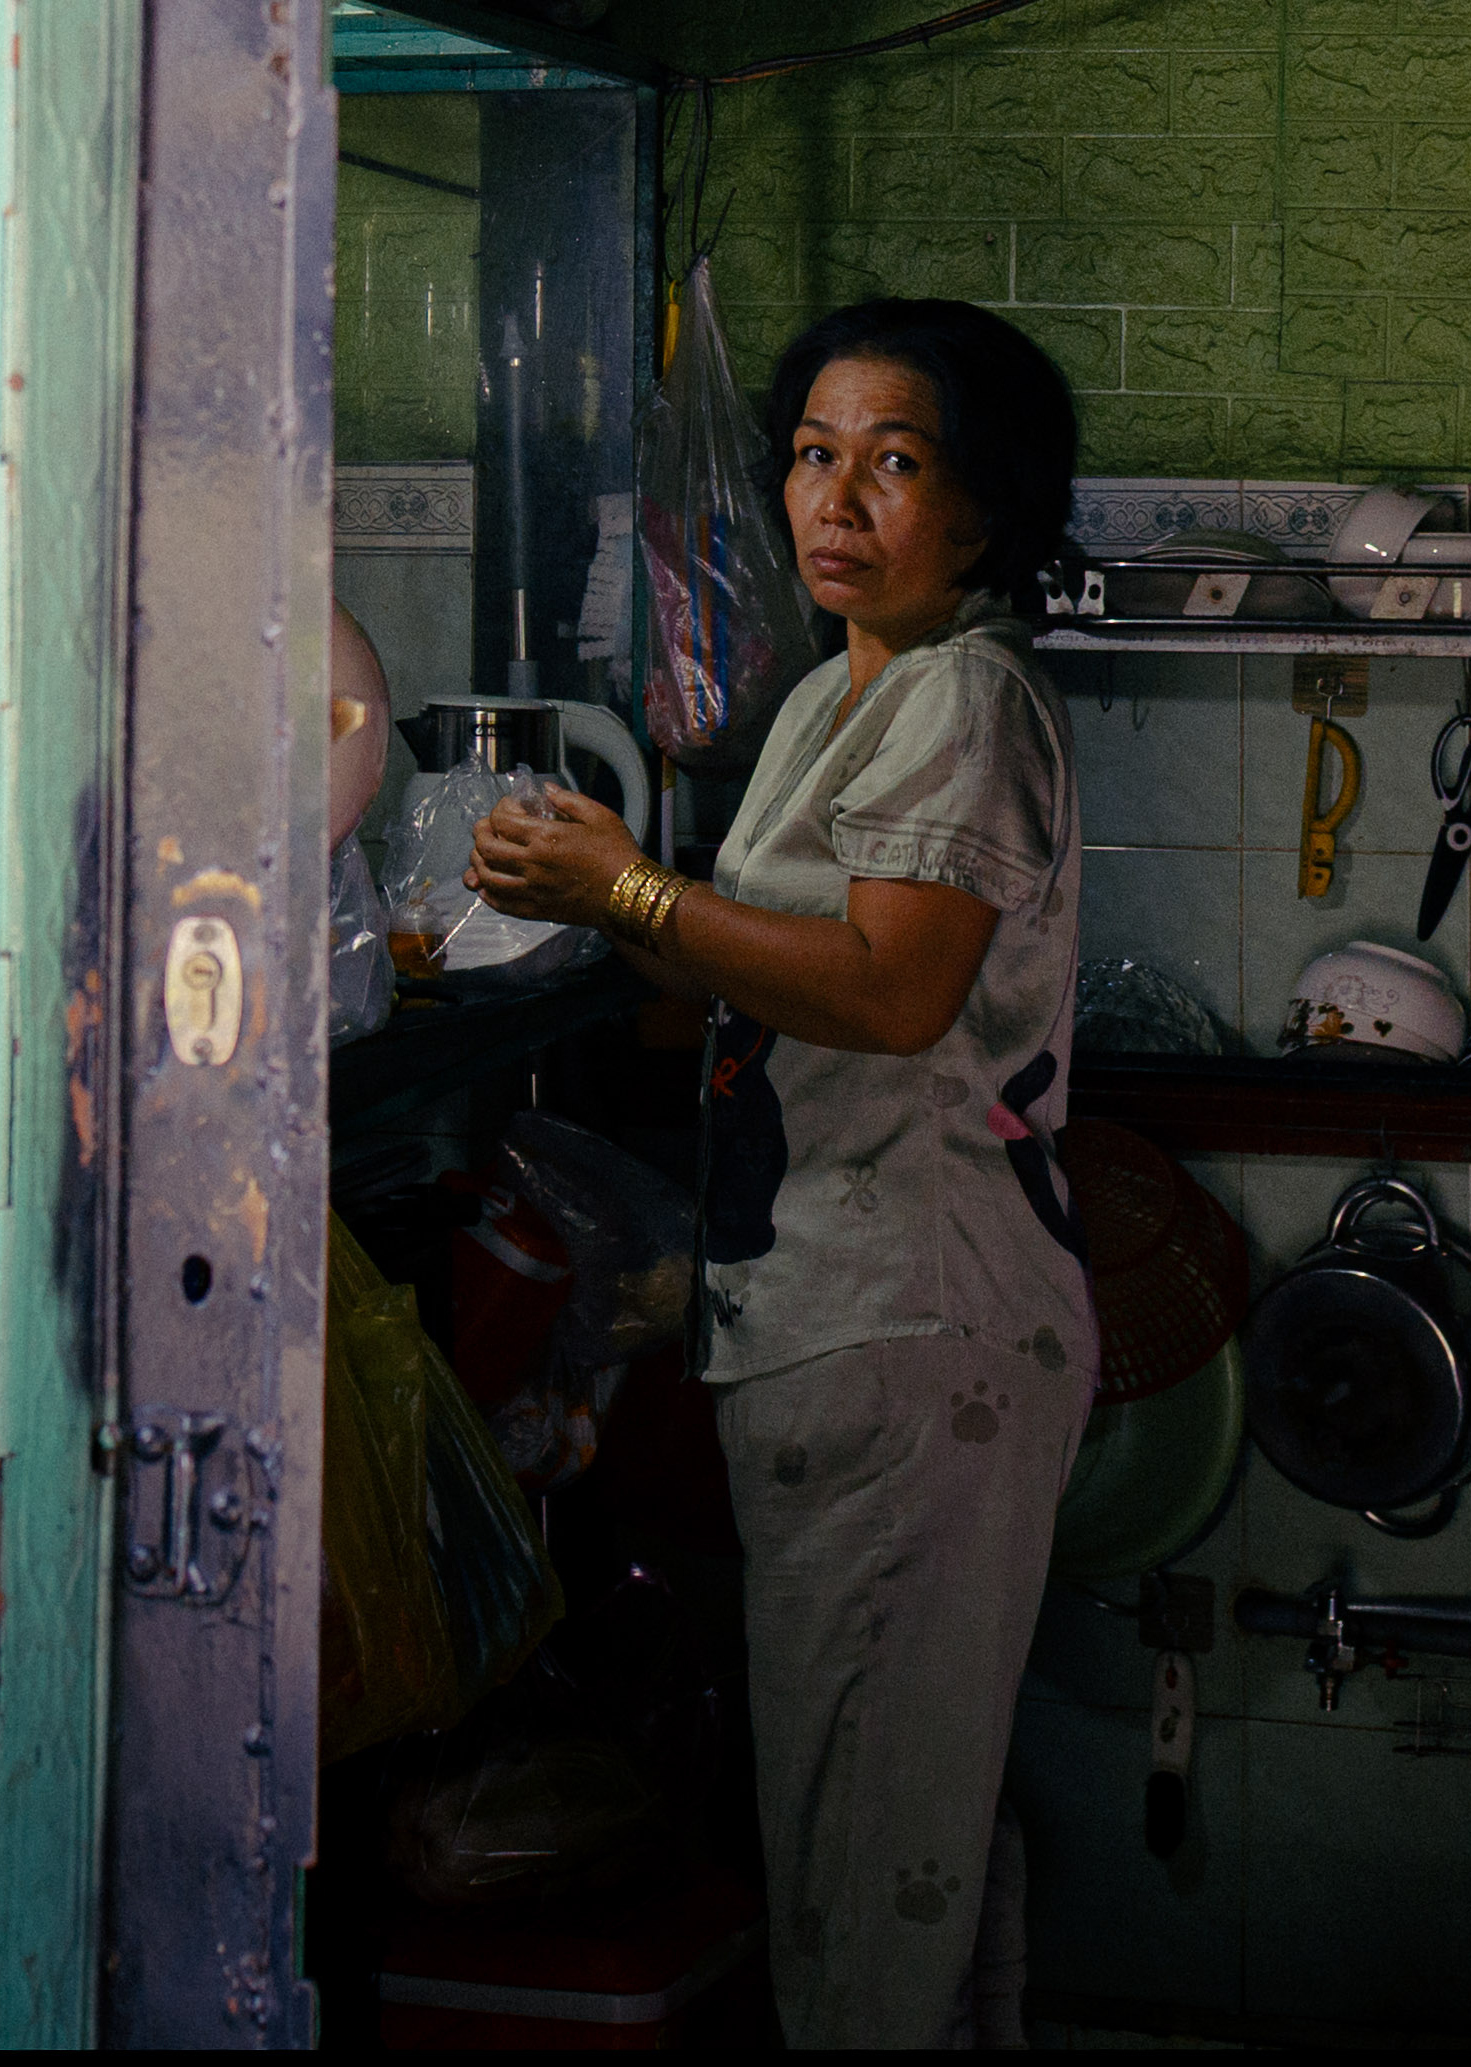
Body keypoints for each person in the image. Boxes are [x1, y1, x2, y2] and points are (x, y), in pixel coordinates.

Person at [464, 296, 1095, 2049]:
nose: (839, 499)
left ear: (986, 509)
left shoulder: (964, 697)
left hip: (918, 1328)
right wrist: (582, 901)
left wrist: (637, 898)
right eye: (817, 457)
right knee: (899, 1842)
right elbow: (770, 959)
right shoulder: (848, 687)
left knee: (865, 1866)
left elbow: (895, 991)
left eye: (896, 463)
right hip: (836, 1308)